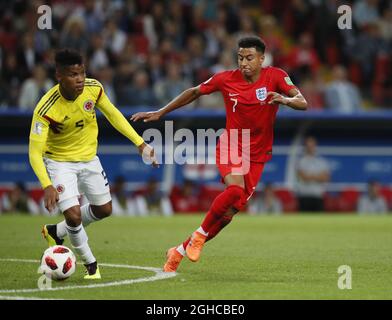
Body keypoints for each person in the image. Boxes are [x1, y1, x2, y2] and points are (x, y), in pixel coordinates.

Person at [131, 36, 307, 272]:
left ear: (262, 59)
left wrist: (284, 99)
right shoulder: (226, 79)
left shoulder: (275, 76)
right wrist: (161, 112)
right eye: (240, 57)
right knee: (234, 190)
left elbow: (302, 102)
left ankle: (179, 251)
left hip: (257, 154)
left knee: (230, 212)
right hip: (231, 144)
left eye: (249, 58)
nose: (244, 63)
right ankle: (199, 236)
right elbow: (194, 92)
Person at [29, 49, 157, 279]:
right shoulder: (46, 108)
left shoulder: (93, 88)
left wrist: (140, 144)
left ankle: (55, 232)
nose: (79, 79)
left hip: (89, 159)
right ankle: (91, 265)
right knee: (74, 215)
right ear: (59, 76)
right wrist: (47, 184)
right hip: (59, 162)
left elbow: (113, 114)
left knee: (104, 209)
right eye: (72, 74)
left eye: (82, 72)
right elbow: (34, 152)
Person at [296, 136, 330, 212]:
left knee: (319, 222)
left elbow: (325, 178)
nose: (310, 148)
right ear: (305, 147)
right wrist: (318, 176)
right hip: (304, 196)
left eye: (312, 145)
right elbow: (303, 177)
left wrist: (310, 176)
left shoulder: (321, 161)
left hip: (318, 196)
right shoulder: (301, 161)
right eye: (308, 146)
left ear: (315, 146)